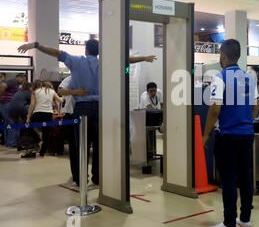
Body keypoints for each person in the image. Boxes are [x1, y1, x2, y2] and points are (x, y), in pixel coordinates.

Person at [18, 40, 157, 186]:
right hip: (99, 108)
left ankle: (81, 178)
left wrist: (37, 45)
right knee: (97, 145)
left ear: (86, 50)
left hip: (82, 108)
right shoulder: (104, 63)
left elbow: (56, 52)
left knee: (81, 145)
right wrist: (144, 58)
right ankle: (97, 178)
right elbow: (125, 60)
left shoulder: (77, 61)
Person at [203, 39, 259, 227]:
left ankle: (229, 222)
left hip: (227, 135)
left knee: (228, 178)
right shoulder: (249, 78)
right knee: (244, 176)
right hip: (247, 134)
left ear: (223, 56)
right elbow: (257, 106)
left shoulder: (220, 77)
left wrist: (206, 134)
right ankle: (244, 218)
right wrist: (246, 122)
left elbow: (214, 109)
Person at [58, 76, 91, 186]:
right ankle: (78, 177)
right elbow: (61, 91)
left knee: (85, 147)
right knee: (74, 147)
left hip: (86, 115)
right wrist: (76, 91)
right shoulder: (70, 79)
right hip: (71, 115)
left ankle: (87, 176)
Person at [26, 80, 64, 157]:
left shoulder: (35, 91)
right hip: (48, 114)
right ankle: (42, 153)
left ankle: (39, 139)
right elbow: (60, 100)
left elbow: (32, 105)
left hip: (37, 113)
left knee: (29, 127)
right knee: (46, 132)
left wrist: (28, 117)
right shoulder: (52, 91)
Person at [0, 73, 27, 147]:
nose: (23, 81)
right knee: (13, 122)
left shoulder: (16, 84)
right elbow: (3, 86)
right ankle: (12, 143)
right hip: (7, 104)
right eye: (22, 79)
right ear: (18, 77)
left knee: (8, 123)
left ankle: (8, 142)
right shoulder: (13, 81)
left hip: (6, 104)